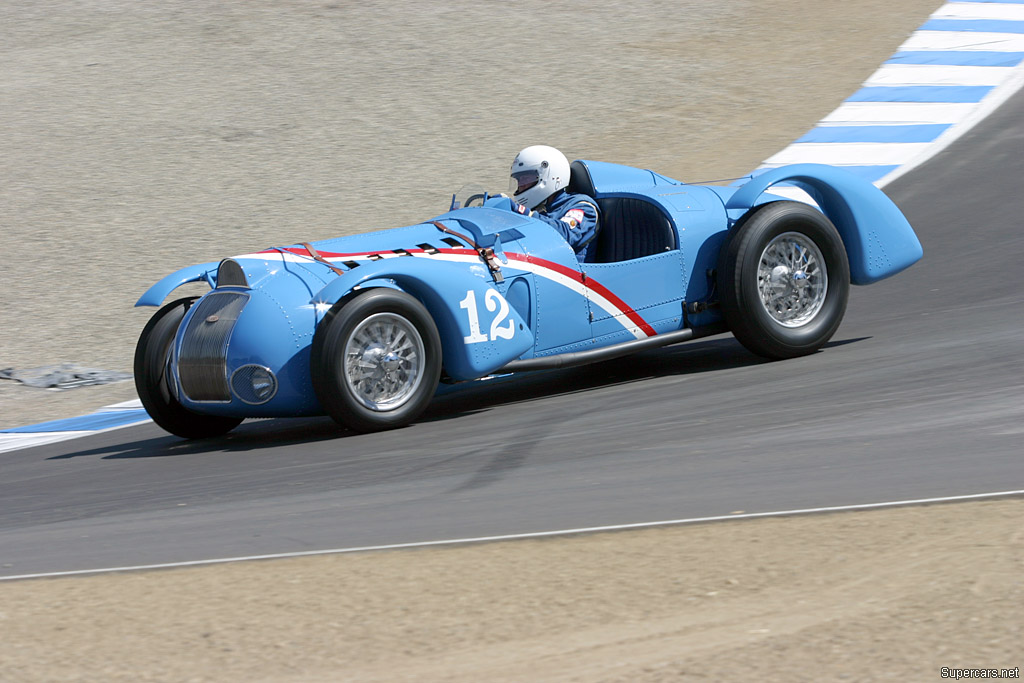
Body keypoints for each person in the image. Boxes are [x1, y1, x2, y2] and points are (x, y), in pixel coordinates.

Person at [506, 145, 600, 261]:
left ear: (552, 177)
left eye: (526, 179)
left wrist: (525, 214)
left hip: (571, 276)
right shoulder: (540, 209)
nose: (521, 186)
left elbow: (565, 235)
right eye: (519, 180)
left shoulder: (583, 207)